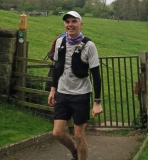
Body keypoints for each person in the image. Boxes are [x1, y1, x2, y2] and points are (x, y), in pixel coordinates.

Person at [48, 11, 103, 160]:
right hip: (62, 92)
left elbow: (96, 75)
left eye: (74, 21)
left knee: (79, 133)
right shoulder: (60, 42)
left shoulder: (89, 46)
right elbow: (57, 67)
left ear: (80, 24)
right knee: (57, 133)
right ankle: (74, 152)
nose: (70, 25)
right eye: (67, 22)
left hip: (81, 94)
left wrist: (97, 102)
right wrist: (53, 90)